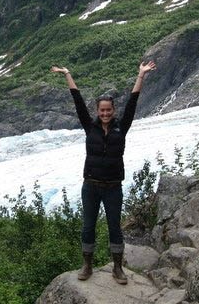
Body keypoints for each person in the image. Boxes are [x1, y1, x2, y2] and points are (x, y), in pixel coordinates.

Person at [50, 61, 157, 285]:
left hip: (113, 187)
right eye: (102, 110)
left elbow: (133, 102)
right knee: (88, 226)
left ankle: (117, 268)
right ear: (98, 112)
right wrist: (67, 74)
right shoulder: (90, 127)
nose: (105, 113)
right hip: (91, 185)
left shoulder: (122, 126)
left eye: (108, 110)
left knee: (114, 226)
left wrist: (141, 75)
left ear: (113, 111)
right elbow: (78, 101)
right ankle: (87, 265)